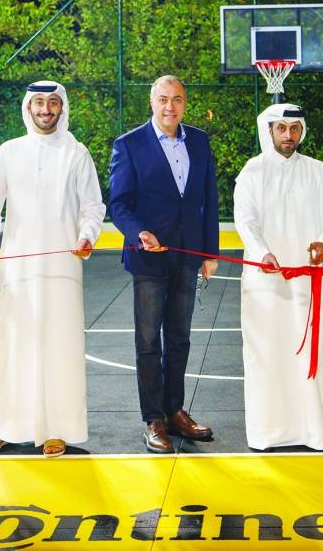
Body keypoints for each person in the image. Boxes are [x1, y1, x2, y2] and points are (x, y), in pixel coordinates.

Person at [0, 81, 105, 458]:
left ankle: (57, 429)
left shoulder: (76, 153)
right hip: (17, 271)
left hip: (64, 268)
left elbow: (93, 206)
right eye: (39, 103)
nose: (46, 110)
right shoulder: (8, 152)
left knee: (60, 349)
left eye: (52, 103)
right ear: (27, 108)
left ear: (62, 108)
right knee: (13, 348)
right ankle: (6, 426)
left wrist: (86, 236)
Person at [108, 75, 219, 453]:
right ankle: (153, 418)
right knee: (147, 341)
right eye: (162, 99)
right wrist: (139, 232)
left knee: (179, 338)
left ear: (185, 103)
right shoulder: (129, 145)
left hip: (187, 256)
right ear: (151, 102)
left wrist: (208, 253)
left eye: (177, 100)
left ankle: (174, 411)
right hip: (149, 258)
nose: (169, 107)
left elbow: (208, 200)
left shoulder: (200, 141)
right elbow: (118, 204)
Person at [233, 103, 323, 451]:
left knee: (307, 355)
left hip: (305, 281)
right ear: (269, 131)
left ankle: (312, 432)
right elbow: (245, 220)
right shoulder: (252, 171)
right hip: (263, 281)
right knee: (265, 355)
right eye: (281, 128)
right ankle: (266, 433)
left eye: (294, 128)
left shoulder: (316, 169)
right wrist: (261, 252)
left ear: (301, 131)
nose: (288, 135)